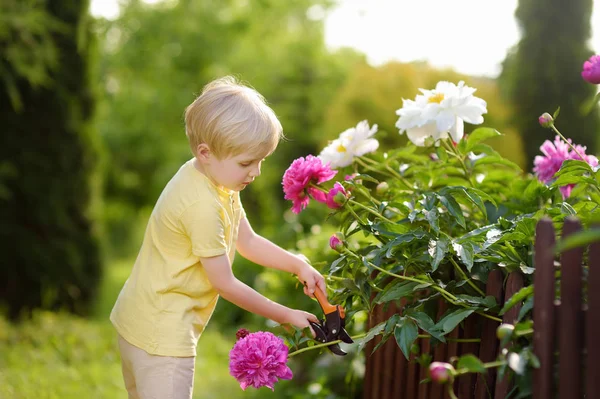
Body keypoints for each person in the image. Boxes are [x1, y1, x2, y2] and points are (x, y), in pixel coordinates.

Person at [110, 76, 326, 399]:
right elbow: (225, 283)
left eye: (261, 160)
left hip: (141, 322)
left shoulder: (216, 181)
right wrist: (285, 315)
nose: (256, 172)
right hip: (162, 339)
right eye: (246, 162)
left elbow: (248, 241)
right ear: (206, 151)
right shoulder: (201, 205)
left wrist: (298, 264)